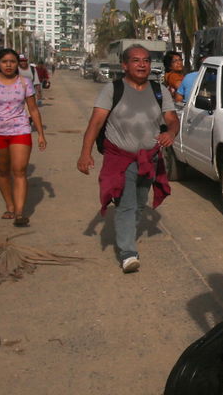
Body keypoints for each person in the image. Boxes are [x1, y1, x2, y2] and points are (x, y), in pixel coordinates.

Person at [77, 45, 179, 272]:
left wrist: (171, 133)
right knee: (125, 204)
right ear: (124, 65)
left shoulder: (158, 89)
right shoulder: (112, 90)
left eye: (145, 60)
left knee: (139, 203)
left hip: (149, 159)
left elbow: (172, 119)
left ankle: (127, 234)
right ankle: (128, 252)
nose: (142, 64)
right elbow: (95, 123)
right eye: (136, 60)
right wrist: (85, 153)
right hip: (120, 158)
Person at [0, 48, 47, 227]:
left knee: (19, 170)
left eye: (12, 62)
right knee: (2, 171)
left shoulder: (25, 83)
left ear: (18, 64)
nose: (8, 65)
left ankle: (19, 212)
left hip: (20, 130)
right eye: (4, 62)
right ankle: (9, 205)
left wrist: (40, 133)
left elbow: (33, 109)